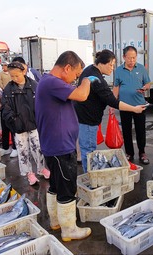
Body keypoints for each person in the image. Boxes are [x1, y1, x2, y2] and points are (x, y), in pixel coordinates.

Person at [36, 51, 93, 241]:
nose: (75, 79)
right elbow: (83, 95)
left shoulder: (47, 82)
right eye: (76, 74)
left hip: (54, 146)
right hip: (60, 147)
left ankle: (55, 221)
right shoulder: (53, 82)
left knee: (56, 186)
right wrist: (87, 80)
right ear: (67, 67)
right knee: (67, 188)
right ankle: (69, 229)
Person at [74, 49, 146, 173]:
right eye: (110, 65)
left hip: (84, 118)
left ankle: (89, 175)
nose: (112, 68)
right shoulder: (96, 79)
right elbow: (113, 101)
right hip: (88, 120)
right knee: (89, 151)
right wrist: (134, 108)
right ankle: (90, 177)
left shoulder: (90, 70)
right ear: (101, 63)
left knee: (88, 150)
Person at [2, 62, 49, 185]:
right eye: (12, 76)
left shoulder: (34, 85)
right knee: (23, 151)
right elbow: (5, 109)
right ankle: (29, 173)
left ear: (23, 72)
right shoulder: (8, 89)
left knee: (38, 148)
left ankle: (41, 168)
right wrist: (14, 122)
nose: (14, 79)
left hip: (34, 125)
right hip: (19, 127)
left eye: (16, 75)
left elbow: (42, 105)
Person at [113, 46, 151, 164]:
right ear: (124, 57)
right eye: (129, 58)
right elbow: (116, 87)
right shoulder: (118, 70)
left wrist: (145, 87)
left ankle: (142, 153)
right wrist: (112, 104)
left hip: (139, 106)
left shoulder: (141, 68)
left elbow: (148, 83)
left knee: (140, 130)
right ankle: (129, 153)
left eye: (134, 58)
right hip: (124, 106)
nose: (132, 61)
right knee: (126, 130)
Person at [0, 61, 17, 157]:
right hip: (5, 108)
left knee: (14, 130)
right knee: (5, 129)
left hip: (14, 110)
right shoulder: (2, 75)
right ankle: (5, 148)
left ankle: (15, 148)